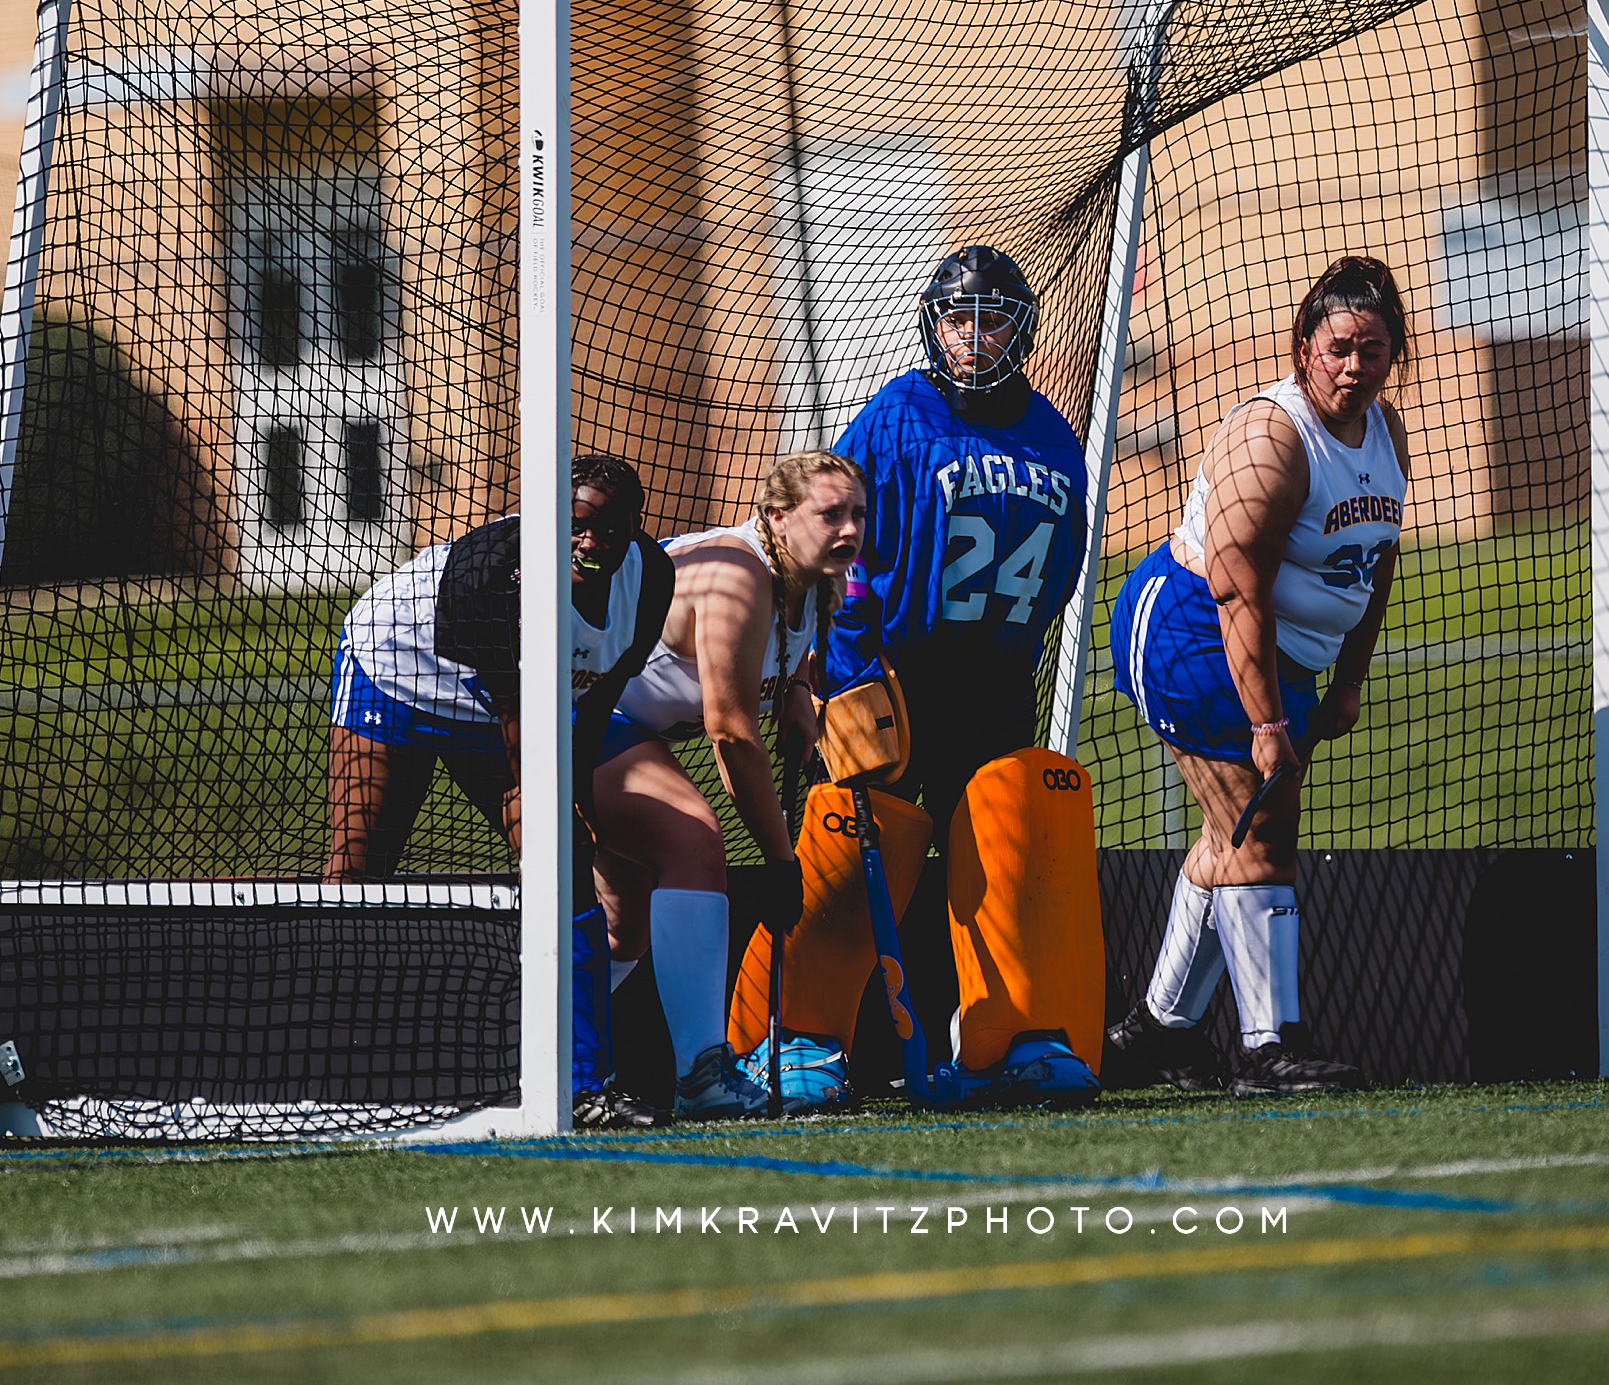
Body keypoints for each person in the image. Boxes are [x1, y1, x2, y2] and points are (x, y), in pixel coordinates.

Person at [737, 245, 1100, 1111]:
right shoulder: (897, 416)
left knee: (1012, 853)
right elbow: (842, 548)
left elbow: (1066, 558)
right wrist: (854, 666)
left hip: (997, 678)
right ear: (934, 326)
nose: (974, 336)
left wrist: (1019, 649)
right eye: (958, 318)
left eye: (993, 318)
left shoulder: (1053, 433)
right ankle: (794, 1037)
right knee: (858, 845)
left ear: (1024, 328)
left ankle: (1011, 1033)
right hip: (898, 678)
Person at [1106, 254, 1409, 1096]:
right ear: (1305, 345)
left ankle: (1156, 1031)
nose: (1355, 366)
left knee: (1226, 838)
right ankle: (1271, 1046)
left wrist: (1349, 677)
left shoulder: (1388, 432)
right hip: (1196, 627)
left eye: (1374, 350)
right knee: (1262, 827)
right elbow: (1238, 587)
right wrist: (1270, 726)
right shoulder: (1271, 436)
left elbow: (1374, 565)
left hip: (1288, 652)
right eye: (1340, 347)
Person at [323, 453, 675, 1128]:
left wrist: (581, 805)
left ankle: (585, 1086)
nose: (591, 542)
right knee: (358, 872)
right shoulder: (493, 574)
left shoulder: (651, 579)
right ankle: (344, 1065)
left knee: (566, 872)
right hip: (398, 675)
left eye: (610, 529)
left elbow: (596, 701)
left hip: (508, 703)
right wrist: (559, 805)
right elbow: (521, 731)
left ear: (636, 527)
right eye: (577, 525)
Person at [590, 450, 866, 1120]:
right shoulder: (739, 575)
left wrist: (799, 687)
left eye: (858, 513)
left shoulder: (812, 575)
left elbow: (789, 646)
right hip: (583, 706)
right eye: (830, 514)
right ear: (777, 516)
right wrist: (780, 859)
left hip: (627, 725)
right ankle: (702, 1077)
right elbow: (733, 737)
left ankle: (543, 1063)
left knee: (624, 924)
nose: (850, 530)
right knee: (693, 842)